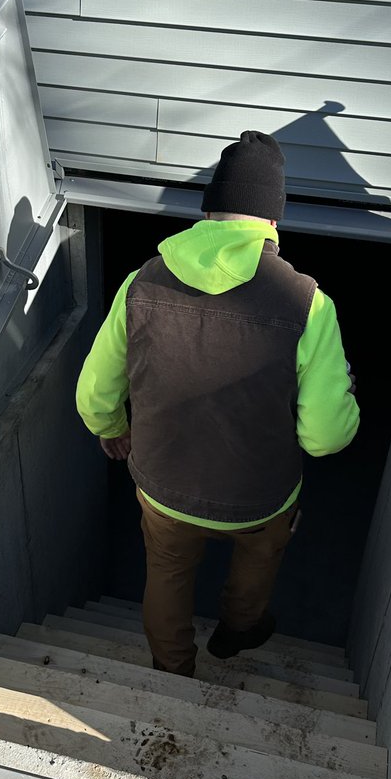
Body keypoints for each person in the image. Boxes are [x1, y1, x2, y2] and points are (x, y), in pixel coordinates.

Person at [75, 130, 359, 677]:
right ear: (272, 219)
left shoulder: (140, 284)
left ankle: (172, 666)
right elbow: (325, 437)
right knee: (257, 564)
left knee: (166, 572)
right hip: (262, 497)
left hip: (163, 485)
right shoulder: (309, 305)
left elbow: (95, 392)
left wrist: (111, 427)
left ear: (208, 212)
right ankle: (237, 633)